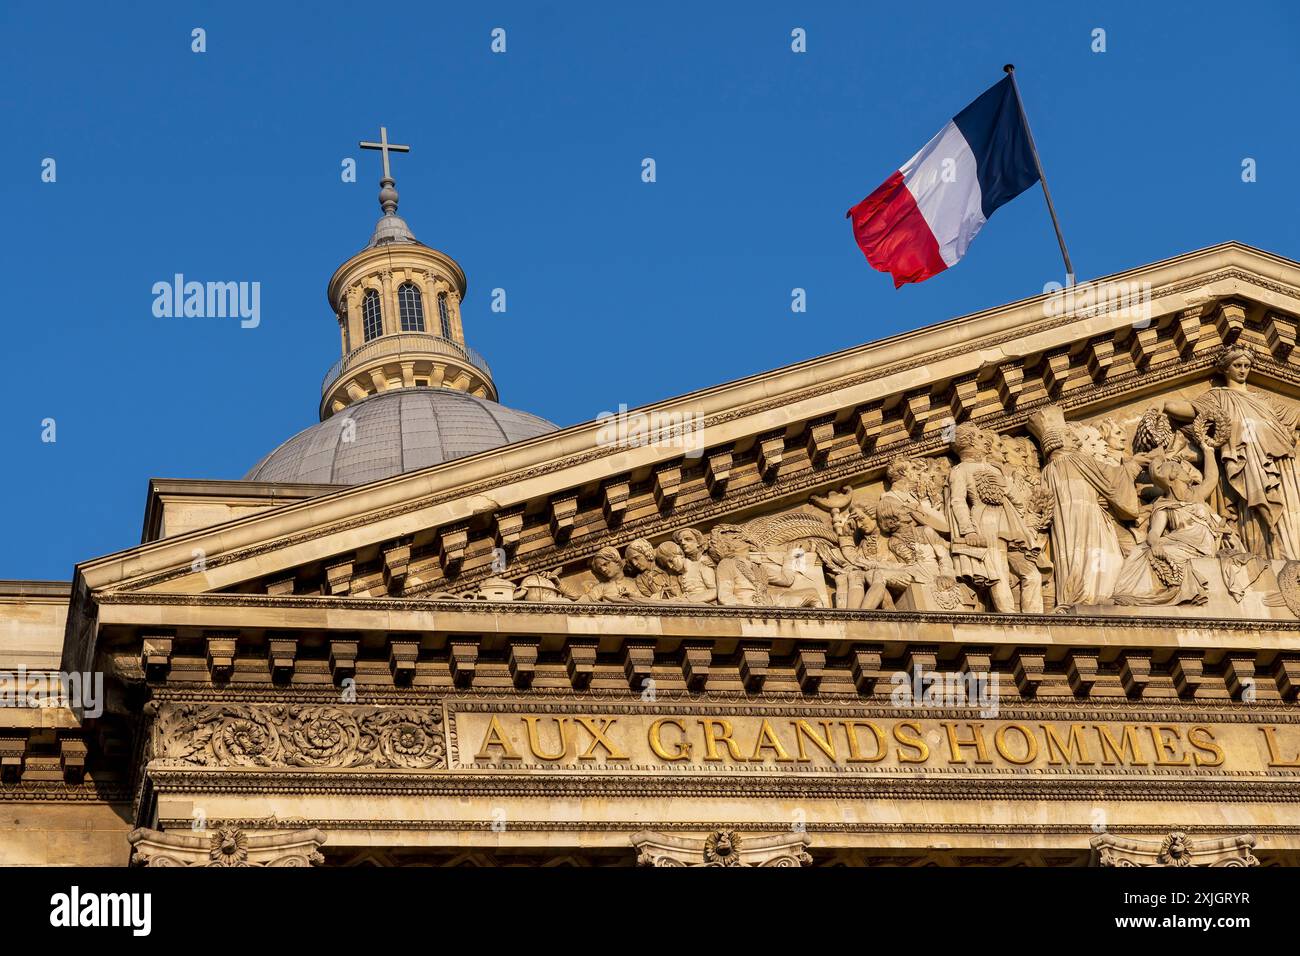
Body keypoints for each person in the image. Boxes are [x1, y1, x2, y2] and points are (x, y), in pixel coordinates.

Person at [1164, 346, 1300, 559]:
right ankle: (1272, 555)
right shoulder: (1218, 397)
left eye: (1247, 365)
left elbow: (1295, 415)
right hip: (1247, 464)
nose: (1243, 370)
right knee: (1254, 509)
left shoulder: (1265, 400)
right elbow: (1176, 408)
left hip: (1282, 464)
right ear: (1225, 369)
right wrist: (1167, 406)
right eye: (1237, 365)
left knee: (1290, 511)